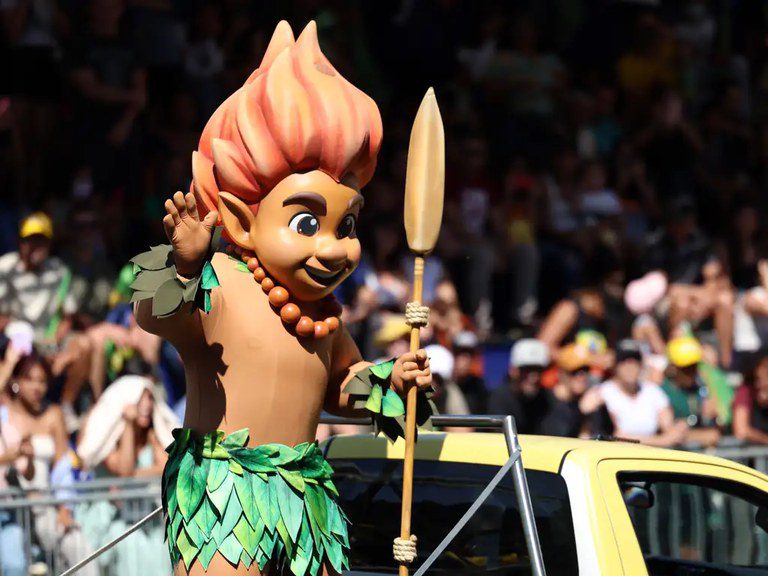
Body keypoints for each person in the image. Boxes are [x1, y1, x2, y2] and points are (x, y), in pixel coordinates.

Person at [132, 22, 433, 575]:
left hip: (305, 500)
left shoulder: (324, 317)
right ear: (241, 220)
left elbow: (340, 385)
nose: (335, 247)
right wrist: (185, 266)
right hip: (224, 498)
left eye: (347, 225)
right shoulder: (221, 281)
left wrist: (389, 382)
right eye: (307, 222)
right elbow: (154, 314)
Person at [1, 347, 97, 575]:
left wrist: (64, 508)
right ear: (16, 381)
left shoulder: (53, 414)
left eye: (42, 381)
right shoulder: (4, 414)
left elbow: (62, 467)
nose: (37, 387)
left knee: (78, 549)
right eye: (30, 380)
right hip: (12, 505)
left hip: (46, 506)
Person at [581, 340, 687, 446]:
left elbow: (670, 430)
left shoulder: (652, 391)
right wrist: (661, 441)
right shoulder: (602, 393)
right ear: (615, 365)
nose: (630, 366)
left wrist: (677, 430)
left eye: (635, 361)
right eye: (624, 361)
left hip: (650, 454)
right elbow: (615, 437)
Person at [76, 374, 177, 477]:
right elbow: (125, 470)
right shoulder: (110, 440)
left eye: (150, 397)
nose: (147, 405)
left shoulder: (151, 435)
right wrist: (128, 424)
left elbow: (166, 467)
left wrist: (134, 475)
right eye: (140, 398)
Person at [661, 336, 721, 447]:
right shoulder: (661, 392)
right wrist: (703, 436)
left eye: (694, 366)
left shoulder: (700, 389)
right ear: (673, 367)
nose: (692, 372)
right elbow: (668, 434)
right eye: (686, 368)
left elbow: (716, 426)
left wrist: (713, 418)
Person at [489, 338, 551, 434]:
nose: (533, 378)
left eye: (538, 370)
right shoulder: (500, 399)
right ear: (513, 371)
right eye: (526, 370)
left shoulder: (547, 400)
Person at [732, 355, 768, 445]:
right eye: (756, 379)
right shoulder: (745, 392)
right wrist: (765, 439)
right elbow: (741, 430)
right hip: (749, 451)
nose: (759, 385)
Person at [451, 331, 487, 414]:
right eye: (460, 353)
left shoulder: (478, 387)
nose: (466, 359)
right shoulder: (443, 382)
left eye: (470, 354)